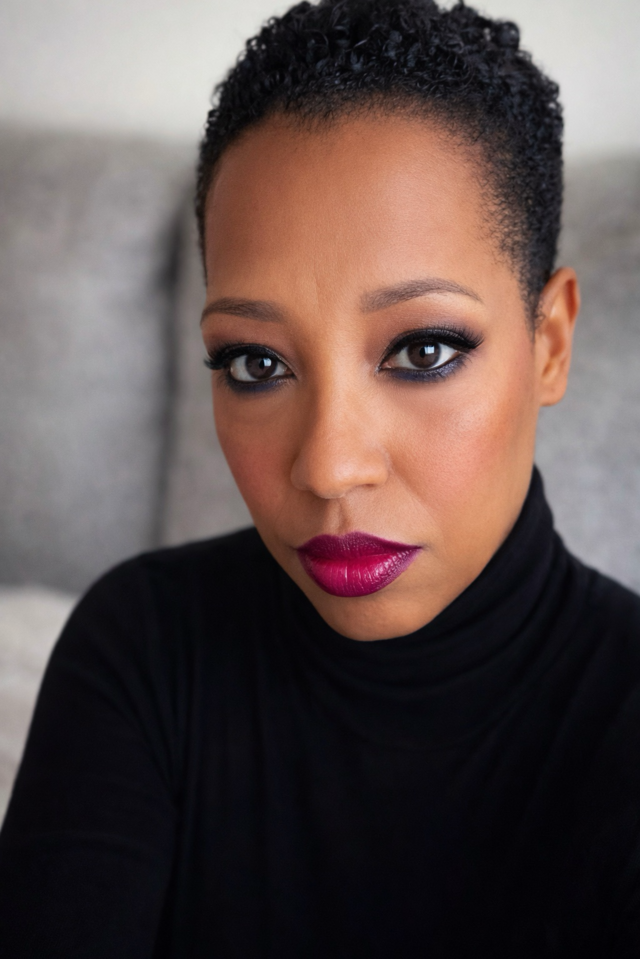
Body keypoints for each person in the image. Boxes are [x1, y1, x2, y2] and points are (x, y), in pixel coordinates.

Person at [1, 0, 639, 955]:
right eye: (255, 363)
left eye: (423, 350)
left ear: (548, 343)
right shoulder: (141, 649)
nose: (329, 466)